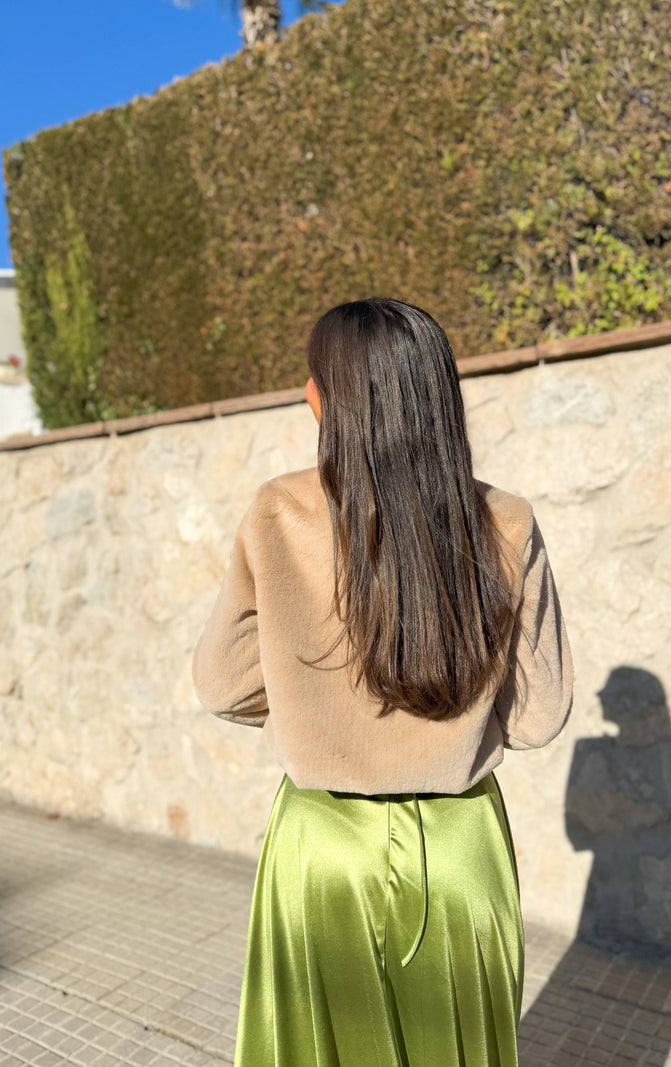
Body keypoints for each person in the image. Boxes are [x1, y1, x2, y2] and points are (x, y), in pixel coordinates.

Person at [191, 297, 573, 1067]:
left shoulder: (279, 511)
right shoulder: (505, 520)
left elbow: (222, 683)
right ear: (438, 392)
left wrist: (313, 701)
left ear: (320, 399)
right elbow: (538, 717)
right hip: (462, 855)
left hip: (322, 851)